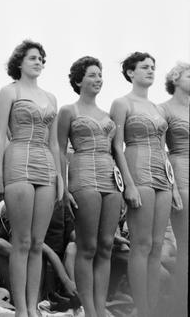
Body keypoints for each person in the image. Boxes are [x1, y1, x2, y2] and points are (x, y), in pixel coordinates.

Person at [0, 39, 63, 317]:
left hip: (46, 164)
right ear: (19, 62)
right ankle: (21, 308)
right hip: (18, 159)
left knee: (37, 243)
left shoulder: (51, 98)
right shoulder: (9, 91)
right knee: (21, 240)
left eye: (41, 59)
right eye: (33, 57)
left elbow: (54, 142)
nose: (38, 62)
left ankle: (33, 306)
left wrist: (59, 176)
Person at [110, 52, 180, 317]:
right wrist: (127, 184)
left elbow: (163, 148)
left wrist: (173, 186)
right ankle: (142, 309)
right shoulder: (122, 103)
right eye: (144, 67)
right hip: (137, 169)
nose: (151, 70)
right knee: (141, 244)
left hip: (162, 174)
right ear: (131, 72)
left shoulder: (158, 109)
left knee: (157, 245)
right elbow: (116, 146)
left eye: (153, 67)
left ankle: (153, 307)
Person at [57, 56, 122, 317]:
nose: (98, 79)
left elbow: (117, 150)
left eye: (100, 75)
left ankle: (100, 307)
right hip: (83, 175)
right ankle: (89, 310)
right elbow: (60, 150)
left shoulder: (108, 115)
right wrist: (63, 187)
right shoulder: (68, 111)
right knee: (87, 246)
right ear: (78, 81)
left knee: (106, 245)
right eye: (92, 75)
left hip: (111, 177)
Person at [0, 201, 77, 303]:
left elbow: (49, 252)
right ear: (4, 221)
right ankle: (16, 298)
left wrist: (67, 282)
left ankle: (35, 298)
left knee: (36, 251)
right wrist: (24, 254)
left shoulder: (17, 232)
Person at [160, 62, 189, 317]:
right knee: (185, 243)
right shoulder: (164, 109)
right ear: (175, 79)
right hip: (180, 171)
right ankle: (180, 304)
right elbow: (160, 151)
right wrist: (173, 188)